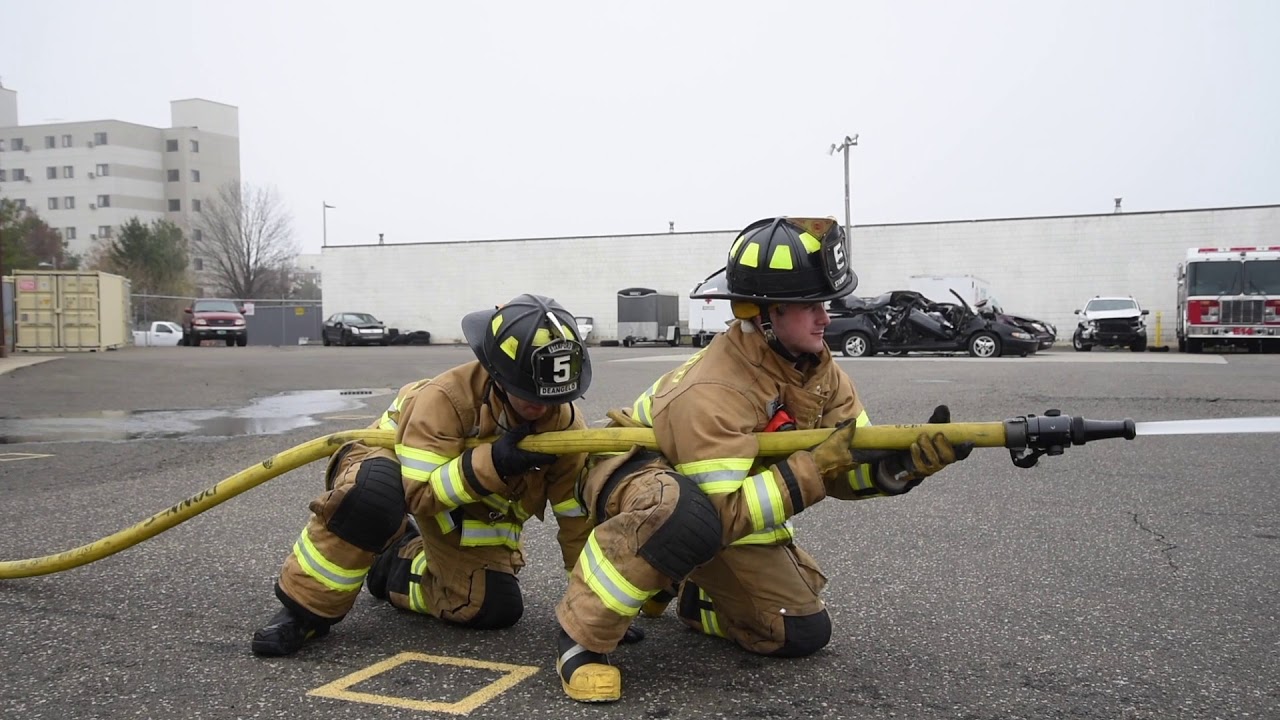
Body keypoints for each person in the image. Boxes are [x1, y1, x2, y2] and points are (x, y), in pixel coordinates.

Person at [552, 217, 974, 702]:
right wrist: (814, 466)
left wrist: (904, 466)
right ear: (766, 313)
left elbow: (845, 472)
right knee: (678, 518)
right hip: (637, 473)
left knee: (801, 633)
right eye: (809, 305)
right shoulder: (714, 389)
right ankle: (580, 638)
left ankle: (693, 593)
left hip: (711, 499)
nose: (825, 318)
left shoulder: (819, 371)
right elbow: (718, 515)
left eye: (826, 303)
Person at [252, 294, 597, 656]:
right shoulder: (445, 399)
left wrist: (592, 612)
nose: (541, 407)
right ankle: (303, 611)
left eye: (553, 397)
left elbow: (575, 519)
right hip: (390, 463)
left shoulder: (564, 424)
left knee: (492, 607)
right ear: (497, 372)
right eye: (528, 394)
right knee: (373, 496)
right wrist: (494, 462)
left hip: (465, 503)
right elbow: (418, 493)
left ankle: (394, 563)